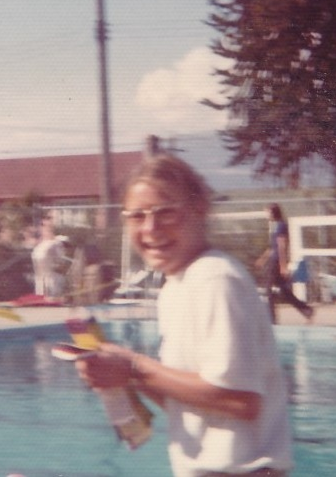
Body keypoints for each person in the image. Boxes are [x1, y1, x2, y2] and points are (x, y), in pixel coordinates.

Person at [76, 155, 293, 477]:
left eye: (166, 212)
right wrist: (121, 374)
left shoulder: (215, 279)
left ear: (199, 209)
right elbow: (198, 406)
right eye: (136, 216)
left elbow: (241, 402)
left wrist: (134, 367)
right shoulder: (176, 286)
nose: (150, 228)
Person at [256, 203, 313, 322]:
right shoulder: (274, 226)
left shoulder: (281, 226)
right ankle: (306, 309)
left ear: (273, 212)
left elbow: (282, 246)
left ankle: (272, 321)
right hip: (273, 261)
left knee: (268, 290)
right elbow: (272, 247)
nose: (266, 215)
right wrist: (263, 259)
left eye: (267, 212)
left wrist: (283, 266)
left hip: (276, 263)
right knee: (284, 291)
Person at [31, 218, 68, 298]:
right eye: (44, 225)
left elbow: (61, 262)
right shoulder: (39, 245)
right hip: (39, 281)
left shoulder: (55, 243)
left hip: (52, 280)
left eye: (50, 226)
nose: (47, 228)